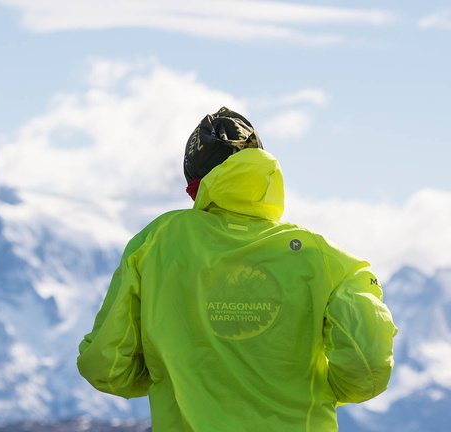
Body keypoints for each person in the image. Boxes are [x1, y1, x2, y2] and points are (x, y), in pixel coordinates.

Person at [77, 107, 397, 431]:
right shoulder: (324, 258)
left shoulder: (155, 243)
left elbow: (106, 365)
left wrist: (172, 374)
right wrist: (321, 390)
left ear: (195, 183)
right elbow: (368, 366)